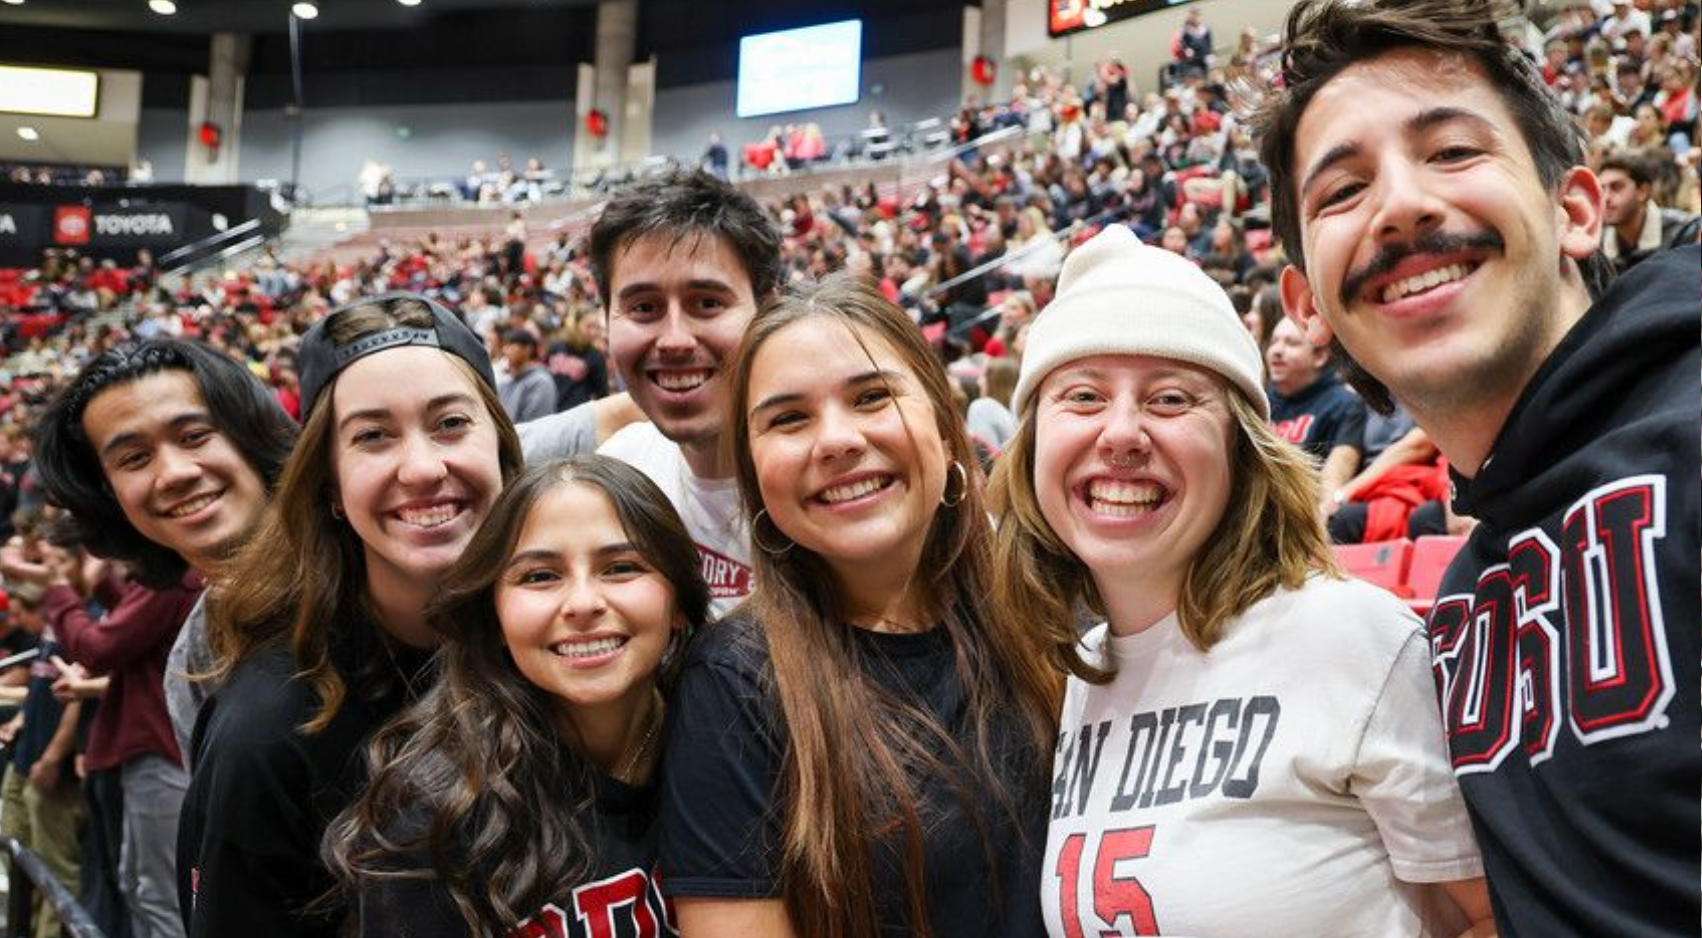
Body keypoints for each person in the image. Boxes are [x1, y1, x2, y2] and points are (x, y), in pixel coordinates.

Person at [1256, 0, 1700, 934]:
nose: (1402, 204)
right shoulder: (1463, 603)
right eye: (1340, 192)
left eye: (1453, 151)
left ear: (1575, 211)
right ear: (1311, 306)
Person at [989, 225, 1492, 937]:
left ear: (1242, 451)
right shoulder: (1077, 679)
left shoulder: (1352, 640)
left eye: (1169, 399)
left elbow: (1493, 915)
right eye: (1082, 396)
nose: (1122, 433)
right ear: (1033, 445)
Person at [657, 273, 1059, 937]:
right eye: (788, 419)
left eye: (872, 397)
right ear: (754, 471)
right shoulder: (732, 687)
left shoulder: (1051, 608)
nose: (837, 441)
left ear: (941, 417)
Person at [176, 293, 523, 938]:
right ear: (331, 486)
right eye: (373, 436)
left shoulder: (562, 645)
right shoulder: (268, 729)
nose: (422, 467)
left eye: (450, 423)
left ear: (504, 451)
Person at [324, 456, 709, 936]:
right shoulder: (435, 819)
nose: (584, 603)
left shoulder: (731, 743)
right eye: (540, 576)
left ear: (678, 603)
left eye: (621, 567)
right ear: (496, 617)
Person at [30, 339, 297, 938]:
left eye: (195, 435)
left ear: (250, 431)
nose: (174, 473)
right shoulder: (195, 655)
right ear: (110, 498)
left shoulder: (379, 565)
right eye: (132, 458)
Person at [520, 170, 783, 616]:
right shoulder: (617, 474)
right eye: (644, 308)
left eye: (707, 303)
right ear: (605, 319)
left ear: (769, 311)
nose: (675, 340)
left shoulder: (829, 479)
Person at [1263, 316, 1366, 510]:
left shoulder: (1345, 404)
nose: (1277, 351)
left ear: (1319, 356)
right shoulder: (1259, 398)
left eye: (1291, 344)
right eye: (1274, 341)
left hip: (1302, 510)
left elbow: (1336, 476)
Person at [1597, 149, 1701, 272]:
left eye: (1617, 187)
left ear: (1643, 192)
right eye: (1602, 189)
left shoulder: (1686, 231)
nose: (1606, 198)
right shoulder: (1597, 243)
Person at [496, 328, 557, 423]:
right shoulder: (506, 381)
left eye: (510, 345)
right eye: (505, 345)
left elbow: (536, 424)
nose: (505, 350)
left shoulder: (541, 382)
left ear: (527, 349)